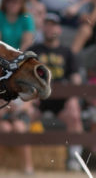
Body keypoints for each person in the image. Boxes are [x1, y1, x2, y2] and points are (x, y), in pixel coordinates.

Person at [27, 13, 84, 170]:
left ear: (59, 29)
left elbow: (75, 78)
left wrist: (73, 96)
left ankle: (75, 158)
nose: (50, 28)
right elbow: (25, 77)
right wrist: (31, 96)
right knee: (25, 115)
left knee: (74, 114)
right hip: (38, 98)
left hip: (61, 100)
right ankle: (26, 161)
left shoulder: (67, 52)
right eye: (47, 24)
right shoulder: (33, 51)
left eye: (53, 25)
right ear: (42, 27)